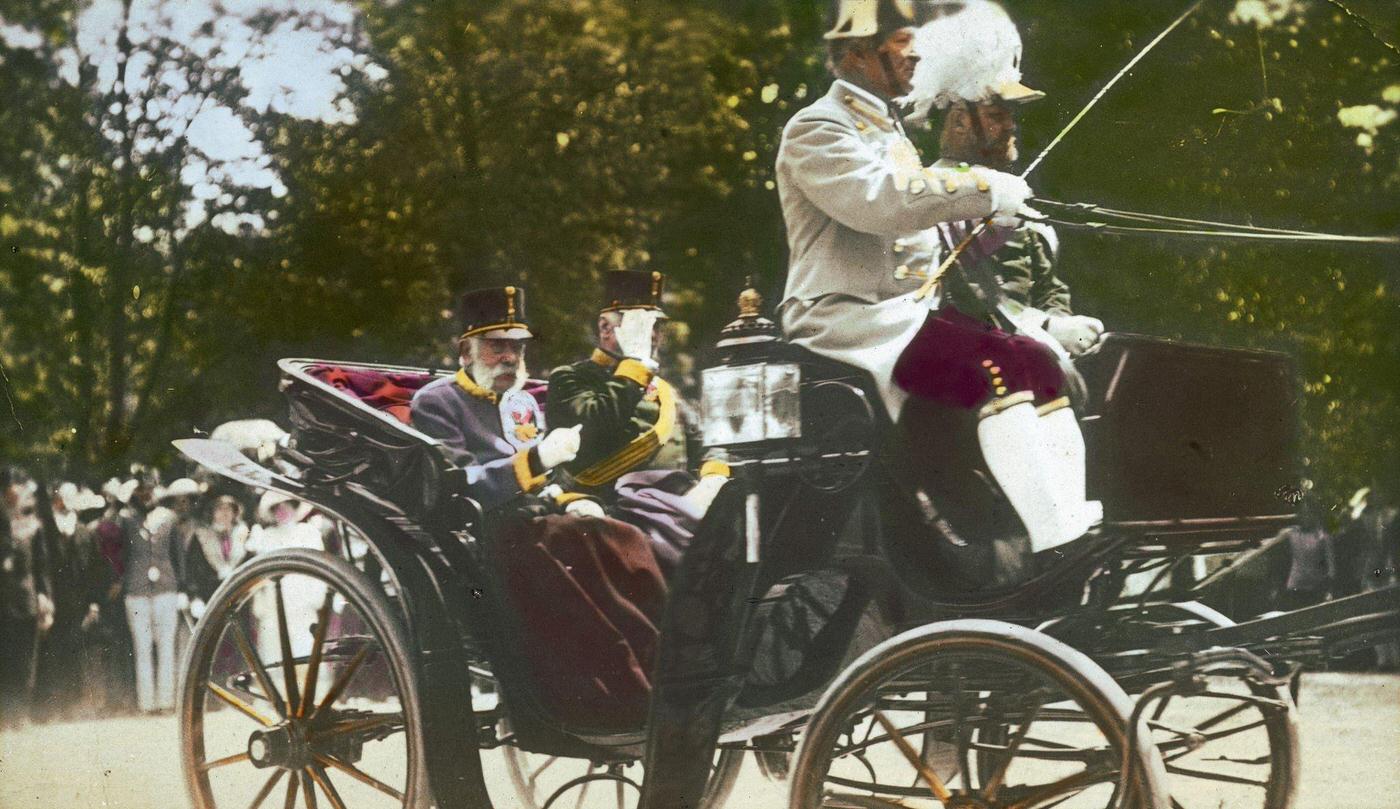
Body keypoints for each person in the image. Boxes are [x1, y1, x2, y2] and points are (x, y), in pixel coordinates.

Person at [778, 0, 1097, 559]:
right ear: (853, 53)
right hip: (847, 321)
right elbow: (883, 202)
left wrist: (988, 213)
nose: (917, 52)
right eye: (903, 40)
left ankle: (1067, 520)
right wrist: (984, 188)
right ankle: (1051, 539)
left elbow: (918, 223)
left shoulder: (890, 131)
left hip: (903, 318)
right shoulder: (815, 128)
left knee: (1035, 359)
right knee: (999, 368)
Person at [546, 270, 730, 570]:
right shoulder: (570, 379)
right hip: (610, 511)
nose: (654, 336)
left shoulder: (665, 391)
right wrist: (634, 367)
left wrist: (711, 481)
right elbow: (594, 426)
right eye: (641, 326)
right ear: (606, 328)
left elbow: (710, 444)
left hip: (679, 508)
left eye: (656, 325)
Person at [410, 286, 582, 509]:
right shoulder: (436, 402)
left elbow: (548, 480)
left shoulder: (522, 401)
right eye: (497, 346)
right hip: (487, 525)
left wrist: (570, 501)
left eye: (517, 347)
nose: (510, 357)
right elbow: (460, 484)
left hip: (537, 514)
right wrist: (536, 460)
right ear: (466, 352)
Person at [113, 473, 183, 714]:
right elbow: (116, 550)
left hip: (165, 586)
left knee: (166, 645)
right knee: (142, 648)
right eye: (141, 492)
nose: (146, 496)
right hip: (137, 589)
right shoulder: (126, 519)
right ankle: (147, 704)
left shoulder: (169, 518)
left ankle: (166, 701)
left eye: (150, 491)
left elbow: (177, 555)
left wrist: (182, 587)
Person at [1, 478, 54, 728]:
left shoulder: (33, 527)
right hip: (3, 601)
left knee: (25, 661)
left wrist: (45, 597)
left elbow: (42, 567)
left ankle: (20, 714)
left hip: (25, 600)